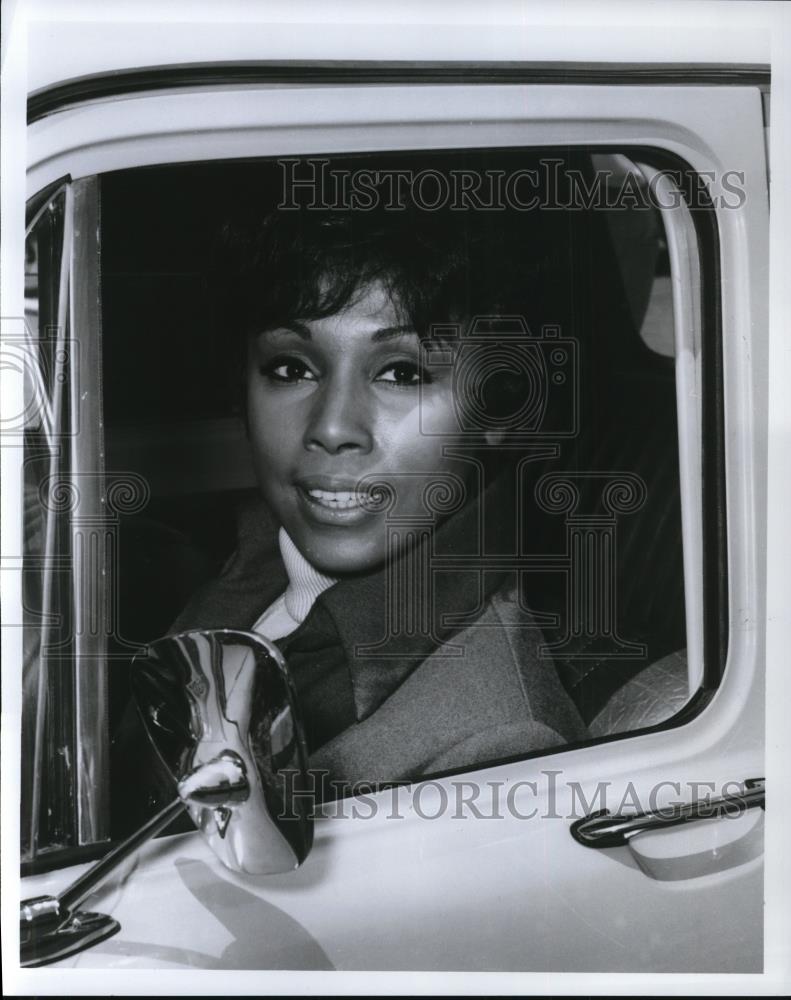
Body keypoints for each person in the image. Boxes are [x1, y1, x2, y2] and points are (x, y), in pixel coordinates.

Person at [170, 190, 587, 793]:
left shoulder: (495, 748)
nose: (332, 427)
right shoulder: (247, 568)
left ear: (497, 403)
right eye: (291, 367)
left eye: (402, 373)